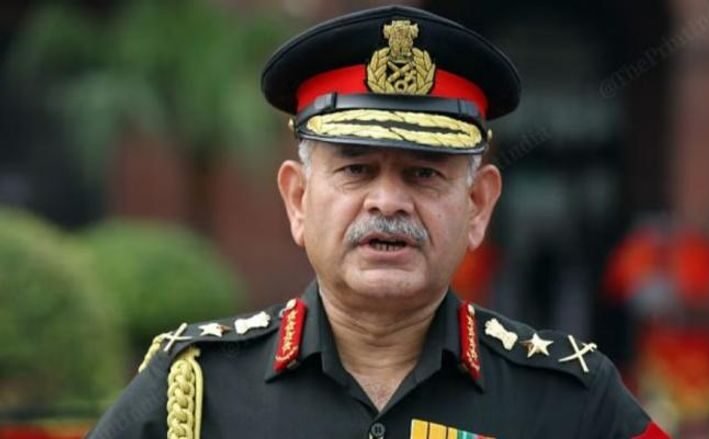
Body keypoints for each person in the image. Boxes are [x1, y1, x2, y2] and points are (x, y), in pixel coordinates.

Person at [88, 6, 669, 439]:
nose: (387, 202)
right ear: (297, 199)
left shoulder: (569, 401)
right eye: (357, 170)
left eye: (423, 174)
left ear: (478, 206)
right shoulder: (197, 395)